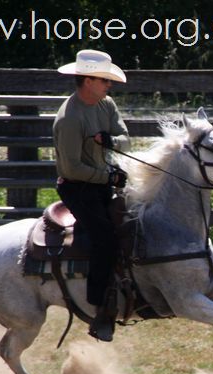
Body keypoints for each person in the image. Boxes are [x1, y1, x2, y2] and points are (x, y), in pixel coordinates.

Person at [53, 49, 130, 342]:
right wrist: (108, 176)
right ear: (87, 80)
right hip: (78, 187)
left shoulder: (105, 105)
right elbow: (71, 168)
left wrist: (112, 140)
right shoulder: (70, 118)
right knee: (105, 238)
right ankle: (99, 308)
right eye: (103, 80)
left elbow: (125, 137)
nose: (108, 85)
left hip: (102, 181)